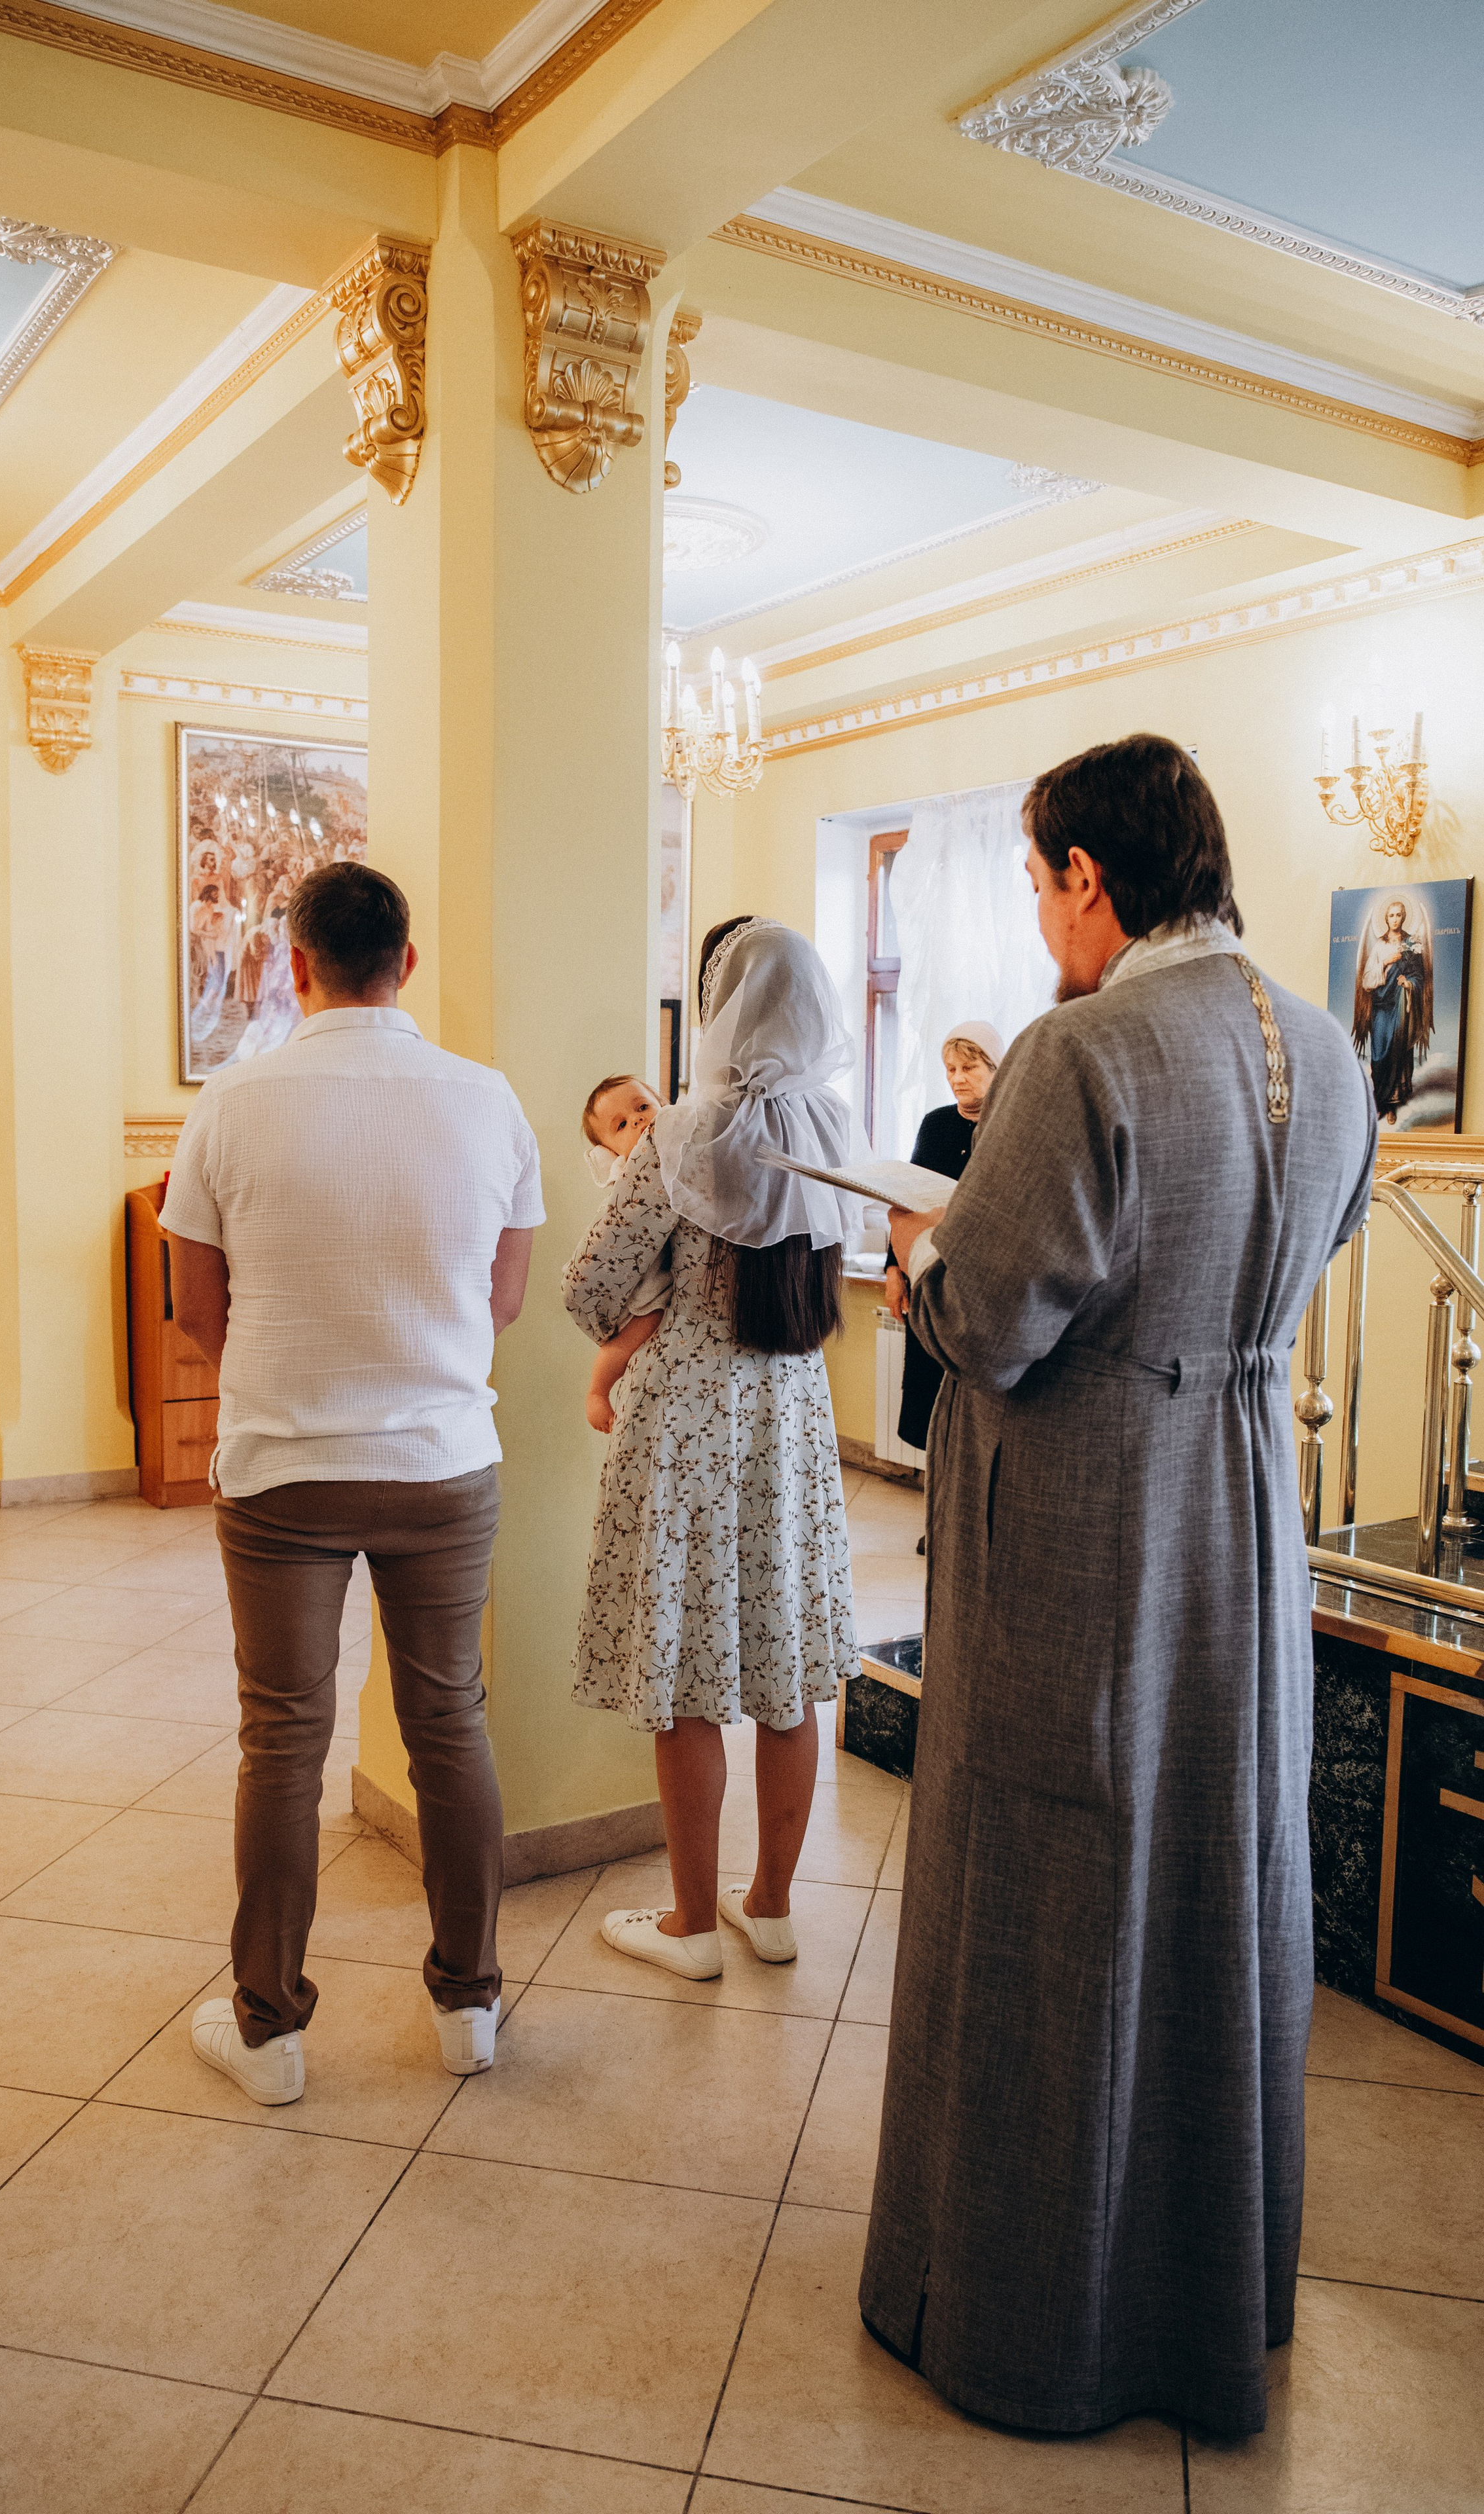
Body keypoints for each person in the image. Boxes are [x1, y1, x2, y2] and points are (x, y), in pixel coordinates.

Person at [861, 733, 1377, 2439]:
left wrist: (912, 1263)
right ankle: (1206, 2288)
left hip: (1084, 1513)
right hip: (1238, 1501)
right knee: (1213, 1869)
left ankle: (1032, 2315)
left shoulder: (1085, 1048)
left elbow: (992, 1316)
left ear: (1092, 877)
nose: (1037, 918)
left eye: (1033, 882)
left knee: (1054, 1878)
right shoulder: (1327, 1044)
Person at [162, 861, 543, 2102]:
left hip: (281, 1474)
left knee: (281, 1741)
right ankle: (469, 2009)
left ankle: (269, 2033)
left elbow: (193, 1307)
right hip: (441, 1461)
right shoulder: (488, 1102)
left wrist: (291, 1383)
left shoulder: (232, 1102)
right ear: (409, 964)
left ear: (295, 964)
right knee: (452, 1725)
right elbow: (499, 1303)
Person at [563, 918, 862, 1982]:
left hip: (687, 1419)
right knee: (786, 1671)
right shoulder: (833, 1123)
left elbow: (590, 1290)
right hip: (789, 1419)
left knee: (684, 1668)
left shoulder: (678, 1136)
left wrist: (647, 1307)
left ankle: (692, 1923)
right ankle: (770, 1906)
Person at [883, 1021, 1005, 1546]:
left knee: (978, 1414)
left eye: (970, 1067)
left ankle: (972, 1526)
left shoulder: (1010, 1124)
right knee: (934, 1409)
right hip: (926, 1277)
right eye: (951, 1070)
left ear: (997, 1067)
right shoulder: (935, 1125)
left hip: (981, 1288)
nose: (958, 1079)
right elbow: (907, 1200)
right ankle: (938, 1522)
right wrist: (894, 1270)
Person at [579, 1073, 670, 1433]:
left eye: (643, 1106)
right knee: (640, 1326)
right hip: (648, 1275)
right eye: (621, 1125)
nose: (637, 1120)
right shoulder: (631, 1171)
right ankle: (598, 1392)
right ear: (612, 1152)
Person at [1352, 893, 1433, 1121]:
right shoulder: (1380, 945)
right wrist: (1385, 962)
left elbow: (1419, 976)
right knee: (1379, 1055)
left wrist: (1408, 983)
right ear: (1386, 919)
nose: (1395, 919)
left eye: (1399, 915)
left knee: (1397, 1050)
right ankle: (1380, 1100)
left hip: (1400, 1004)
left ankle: (1393, 1104)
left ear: (1404, 917)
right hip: (1381, 1004)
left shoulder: (1412, 944)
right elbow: (1367, 980)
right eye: (1391, 915)